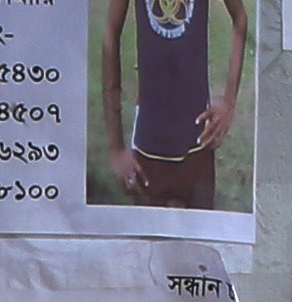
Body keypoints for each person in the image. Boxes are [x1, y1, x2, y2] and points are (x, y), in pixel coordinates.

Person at [104, 0, 251, 211]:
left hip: (198, 142)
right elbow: (111, 32)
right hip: (149, 144)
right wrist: (116, 147)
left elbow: (240, 18)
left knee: (202, 237)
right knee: (149, 239)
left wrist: (229, 102)